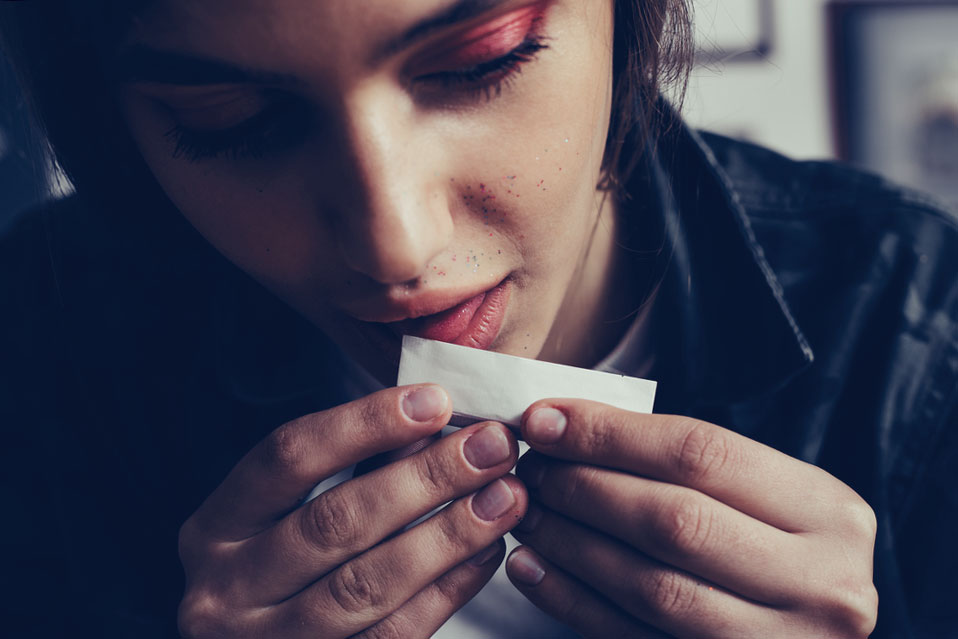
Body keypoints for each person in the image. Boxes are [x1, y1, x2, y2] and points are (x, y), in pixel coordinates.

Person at [0, 1, 955, 637]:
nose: (396, 246)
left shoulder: (924, 331)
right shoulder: (40, 343)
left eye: (477, 65)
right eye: (232, 118)